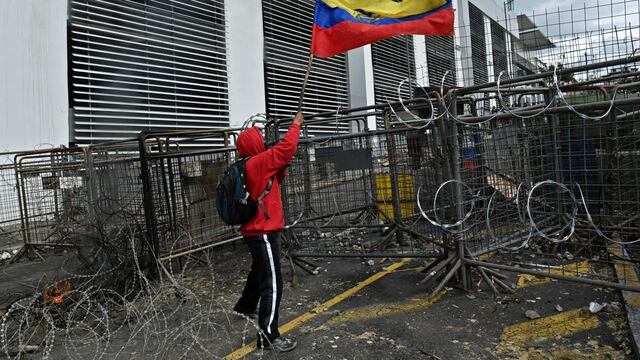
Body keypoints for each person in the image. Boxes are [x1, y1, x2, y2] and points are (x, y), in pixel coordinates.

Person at [233, 112, 304, 352]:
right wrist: (296, 126)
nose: (263, 143)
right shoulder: (258, 162)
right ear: (254, 144)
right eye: (260, 140)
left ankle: (245, 305)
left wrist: (281, 168)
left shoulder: (250, 164)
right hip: (262, 231)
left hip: (257, 229)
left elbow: (271, 183)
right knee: (272, 283)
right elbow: (286, 148)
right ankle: (268, 336)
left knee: (260, 271)